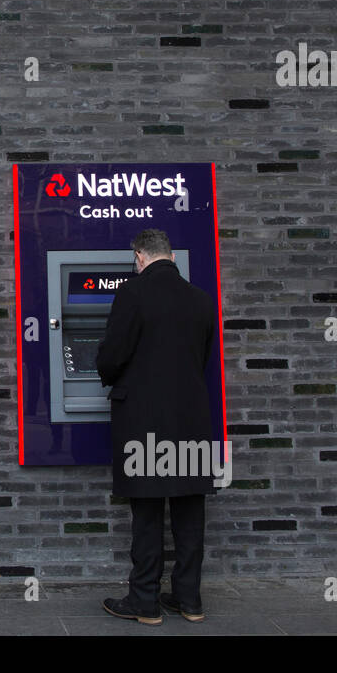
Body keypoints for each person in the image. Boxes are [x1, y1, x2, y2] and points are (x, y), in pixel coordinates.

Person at [95, 228, 216, 626]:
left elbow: (112, 355)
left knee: (147, 511)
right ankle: (189, 599)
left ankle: (144, 601)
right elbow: (201, 360)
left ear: (139, 256)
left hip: (144, 419)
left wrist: (107, 371)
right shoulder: (201, 300)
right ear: (172, 257)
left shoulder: (133, 293)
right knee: (189, 508)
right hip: (192, 417)